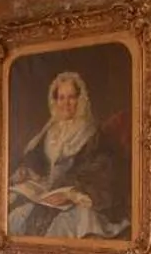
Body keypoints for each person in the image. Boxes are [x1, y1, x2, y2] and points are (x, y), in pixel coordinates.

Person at [7, 69, 127, 239]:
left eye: (71, 97)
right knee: (14, 213)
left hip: (76, 197)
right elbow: (37, 160)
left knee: (65, 225)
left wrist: (68, 193)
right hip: (45, 193)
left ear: (80, 99)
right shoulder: (50, 131)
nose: (66, 103)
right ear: (54, 100)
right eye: (61, 98)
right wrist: (26, 171)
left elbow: (100, 172)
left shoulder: (92, 133)